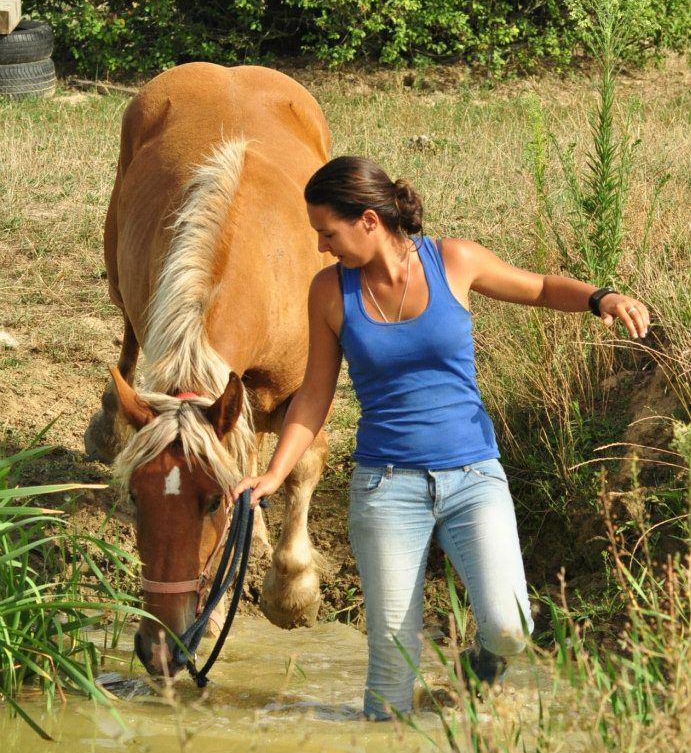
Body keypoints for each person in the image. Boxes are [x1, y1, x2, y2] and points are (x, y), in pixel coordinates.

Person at [232, 156, 650, 721]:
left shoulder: (453, 259)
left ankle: (471, 680)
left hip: (474, 477)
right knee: (391, 674)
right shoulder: (330, 291)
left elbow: (540, 288)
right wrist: (274, 473)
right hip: (385, 489)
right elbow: (314, 394)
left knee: (510, 627)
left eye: (328, 233)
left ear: (369, 221)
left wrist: (603, 297)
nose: (322, 247)